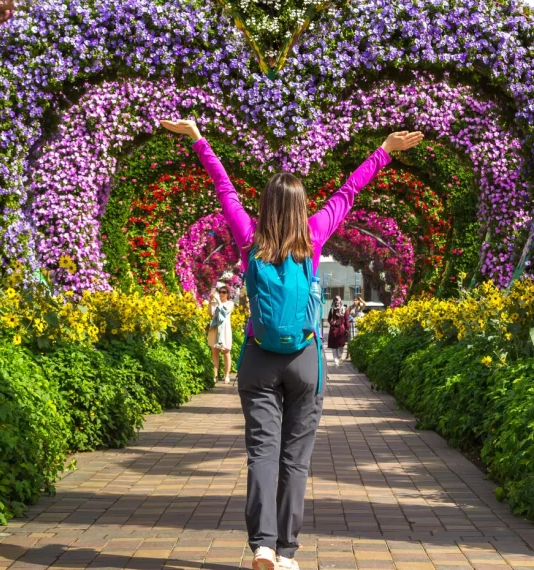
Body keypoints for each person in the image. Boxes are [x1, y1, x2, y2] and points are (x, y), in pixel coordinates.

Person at [160, 119, 422, 570]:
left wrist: (199, 139)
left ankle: (261, 545)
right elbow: (347, 193)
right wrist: (384, 149)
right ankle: (286, 553)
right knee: (295, 461)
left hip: (259, 358)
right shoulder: (314, 236)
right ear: (302, 207)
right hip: (304, 360)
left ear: (264, 205)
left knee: (262, 452)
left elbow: (224, 190)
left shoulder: (250, 239)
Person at [208, 284, 235, 383]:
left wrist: (217, 301)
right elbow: (211, 314)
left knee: (226, 351)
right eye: (220, 292)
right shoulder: (216, 303)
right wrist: (211, 300)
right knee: (214, 352)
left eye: (224, 292)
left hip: (225, 330)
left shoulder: (230, 303)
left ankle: (227, 375)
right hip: (215, 328)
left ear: (228, 294)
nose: (221, 294)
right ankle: (214, 375)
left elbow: (224, 312)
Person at [326, 297, 349, 367]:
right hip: (333, 330)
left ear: (340, 300)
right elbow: (329, 319)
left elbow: (347, 320)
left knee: (340, 346)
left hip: (341, 331)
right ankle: (336, 361)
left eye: (337, 300)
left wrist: (347, 329)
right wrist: (331, 322)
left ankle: (339, 357)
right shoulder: (332, 309)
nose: (336, 301)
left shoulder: (344, 310)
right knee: (333, 347)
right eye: (335, 300)